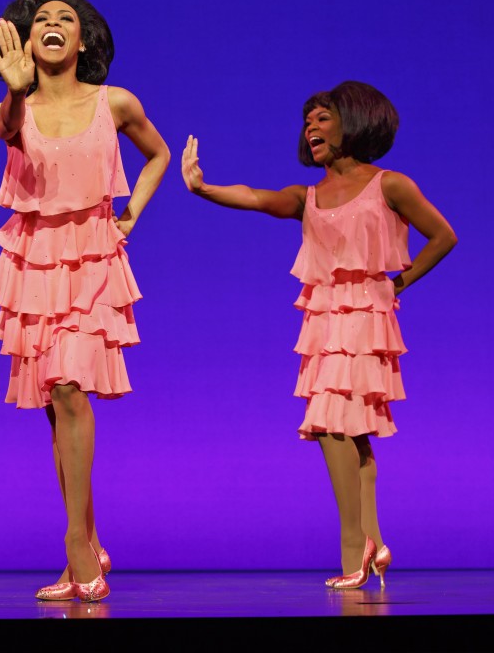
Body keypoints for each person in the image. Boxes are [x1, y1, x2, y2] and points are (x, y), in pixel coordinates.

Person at [181, 81, 456, 588]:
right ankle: (375, 540)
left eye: (322, 117)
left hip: (366, 319)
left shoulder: (390, 185)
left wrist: (401, 280)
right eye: (307, 121)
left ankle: (355, 546)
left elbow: (443, 236)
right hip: (325, 319)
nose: (311, 127)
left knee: (331, 424)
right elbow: (256, 197)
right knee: (352, 432)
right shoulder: (307, 197)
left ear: (355, 120)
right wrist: (203, 187)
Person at [0, 0, 169, 602]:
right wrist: (15, 87)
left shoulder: (114, 101)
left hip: (91, 257)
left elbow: (157, 154)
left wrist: (133, 212)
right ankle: (87, 541)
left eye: (66, 18)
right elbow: (8, 126)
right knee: (53, 409)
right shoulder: (13, 109)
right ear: (29, 40)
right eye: (42, 19)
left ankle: (75, 545)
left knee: (69, 389)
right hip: (36, 261)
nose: (54, 24)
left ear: (82, 39)